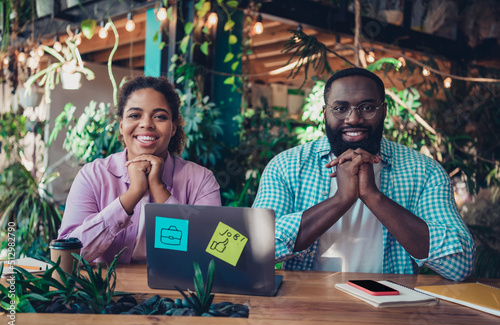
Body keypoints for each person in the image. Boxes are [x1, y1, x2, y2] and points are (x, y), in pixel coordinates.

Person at [252, 67, 475, 281]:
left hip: (392, 309)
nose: (353, 119)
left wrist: (373, 196)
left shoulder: (424, 172)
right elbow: (252, 249)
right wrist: (340, 200)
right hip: (304, 308)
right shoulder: (286, 166)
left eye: (367, 107)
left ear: (384, 111)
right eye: (340, 108)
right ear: (324, 113)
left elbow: (461, 264)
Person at [58, 76, 221, 264]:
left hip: (176, 292)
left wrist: (159, 189)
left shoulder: (201, 180)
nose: (146, 124)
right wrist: (133, 194)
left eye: (160, 117)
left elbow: (212, 256)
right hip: (100, 292)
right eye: (135, 115)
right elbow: (67, 258)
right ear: (121, 125)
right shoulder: (93, 176)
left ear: (174, 127)